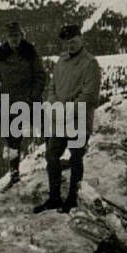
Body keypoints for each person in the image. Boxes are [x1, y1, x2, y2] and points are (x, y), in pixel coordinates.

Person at [34, 23, 101, 214]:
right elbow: (52, 88)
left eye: (73, 41)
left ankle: (72, 198)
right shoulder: (61, 62)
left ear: (81, 39)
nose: (69, 45)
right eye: (66, 42)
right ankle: (54, 198)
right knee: (52, 155)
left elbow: (90, 96)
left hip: (78, 120)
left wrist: (67, 110)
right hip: (59, 120)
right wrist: (55, 106)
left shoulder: (90, 63)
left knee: (76, 157)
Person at [0, 20, 46, 191]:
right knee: (12, 143)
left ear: (21, 35)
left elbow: (40, 76)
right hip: (9, 104)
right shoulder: (1, 54)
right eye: (11, 36)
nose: (14, 39)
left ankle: (53, 165)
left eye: (17, 35)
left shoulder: (30, 51)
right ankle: (14, 176)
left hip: (30, 101)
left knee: (48, 130)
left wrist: (33, 96)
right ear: (6, 37)